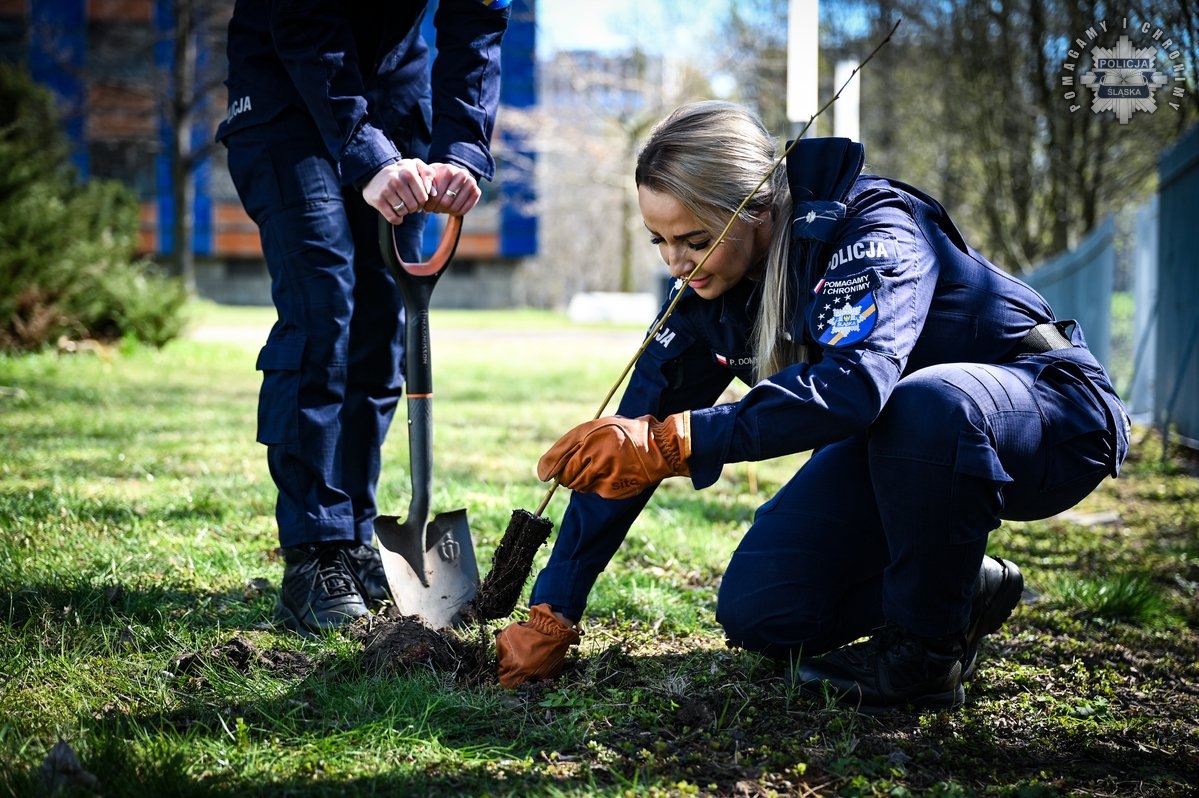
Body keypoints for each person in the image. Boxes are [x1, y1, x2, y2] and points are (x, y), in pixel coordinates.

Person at [496, 100, 1130, 712]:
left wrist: (679, 442)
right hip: (903, 447)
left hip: (1048, 416)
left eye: (693, 239)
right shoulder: (702, 295)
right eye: (659, 240)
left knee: (925, 402)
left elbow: (854, 388)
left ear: (759, 208)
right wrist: (556, 609)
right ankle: (965, 585)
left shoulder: (874, 226)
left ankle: (925, 656)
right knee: (765, 610)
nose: (676, 262)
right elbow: (624, 449)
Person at [215, 0, 510, 637]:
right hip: (286, 90)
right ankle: (314, 553)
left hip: (395, 94)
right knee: (321, 306)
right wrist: (363, 149)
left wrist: (461, 150)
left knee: (380, 329)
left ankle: (354, 538)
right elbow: (302, 21)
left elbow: (477, 23)